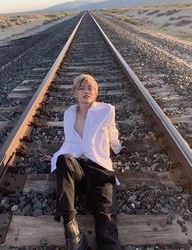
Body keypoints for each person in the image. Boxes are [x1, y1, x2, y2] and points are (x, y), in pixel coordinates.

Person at [41, 74, 122, 250]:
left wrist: (118, 148)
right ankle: (72, 232)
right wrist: (56, 157)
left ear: (96, 93)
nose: (87, 91)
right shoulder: (69, 113)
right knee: (63, 160)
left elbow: (112, 134)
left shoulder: (106, 110)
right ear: (75, 93)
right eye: (82, 88)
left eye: (90, 88)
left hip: (99, 170)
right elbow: (69, 142)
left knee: (105, 218)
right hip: (79, 168)